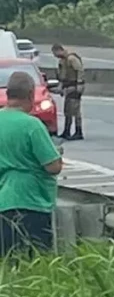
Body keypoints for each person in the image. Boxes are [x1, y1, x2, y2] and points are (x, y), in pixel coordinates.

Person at [0, 72, 63, 257]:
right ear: (30, 95)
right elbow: (53, 166)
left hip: (3, 200)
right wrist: (57, 155)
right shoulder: (32, 125)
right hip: (31, 201)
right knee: (36, 258)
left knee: (7, 259)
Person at [52, 43, 84, 140]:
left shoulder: (71, 59)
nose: (55, 56)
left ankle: (78, 131)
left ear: (59, 50)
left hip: (74, 85)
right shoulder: (62, 61)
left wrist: (79, 84)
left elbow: (80, 70)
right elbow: (62, 75)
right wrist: (60, 87)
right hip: (68, 86)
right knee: (67, 110)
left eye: (55, 53)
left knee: (75, 109)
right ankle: (67, 131)